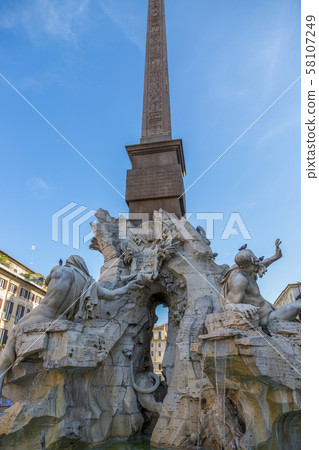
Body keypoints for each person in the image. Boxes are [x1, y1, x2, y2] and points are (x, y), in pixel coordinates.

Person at [0, 256, 143, 396]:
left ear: (70, 262)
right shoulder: (88, 283)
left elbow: (47, 281)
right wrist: (129, 286)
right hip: (55, 319)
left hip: (37, 317)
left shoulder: (60, 270)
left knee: (12, 338)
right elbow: (112, 294)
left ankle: (1, 376)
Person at [219, 240, 301, 334]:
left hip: (271, 310)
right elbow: (227, 305)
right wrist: (240, 306)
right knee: (300, 304)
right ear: (253, 260)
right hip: (268, 318)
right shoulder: (240, 280)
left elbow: (261, 264)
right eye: (254, 256)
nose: (258, 259)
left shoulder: (247, 268)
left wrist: (276, 256)